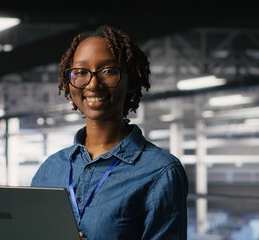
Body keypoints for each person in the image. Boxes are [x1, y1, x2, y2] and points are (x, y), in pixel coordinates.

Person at [30, 24, 189, 240]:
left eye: (108, 71)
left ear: (130, 80)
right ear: (70, 83)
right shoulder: (50, 169)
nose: (93, 84)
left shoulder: (160, 172)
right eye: (80, 72)